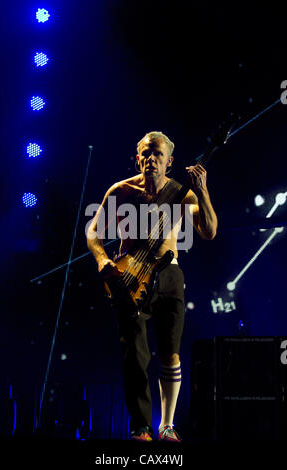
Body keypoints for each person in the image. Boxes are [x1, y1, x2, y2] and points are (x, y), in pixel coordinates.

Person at [86, 131, 217, 441]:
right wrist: (102, 259)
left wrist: (203, 190)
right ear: (138, 158)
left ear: (169, 162)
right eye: (146, 153)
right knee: (134, 354)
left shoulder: (182, 193)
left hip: (169, 275)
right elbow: (93, 232)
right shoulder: (121, 192)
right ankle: (141, 427)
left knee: (171, 352)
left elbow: (209, 231)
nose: (151, 159)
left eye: (158, 154)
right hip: (128, 278)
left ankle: (167, 425)